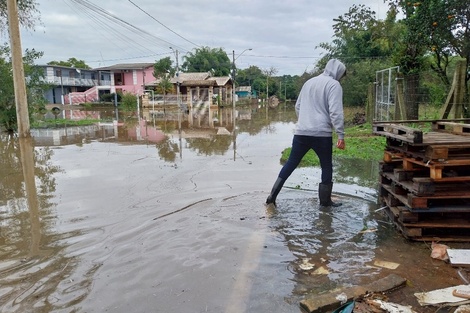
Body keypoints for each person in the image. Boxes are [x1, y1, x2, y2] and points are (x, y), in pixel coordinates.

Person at [266, 59, 347, 207]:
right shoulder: (334, 85)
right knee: (326, 166)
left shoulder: (308, 83)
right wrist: (340, 134)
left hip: (301, 132)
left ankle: (272, 196)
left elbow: (298, 106)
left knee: (291, 163)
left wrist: (305, 122)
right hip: (322, 134)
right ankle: (325, 202)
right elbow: (335, 112)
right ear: (338, 72)